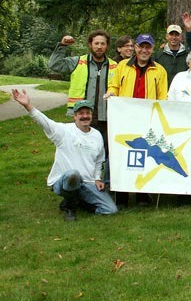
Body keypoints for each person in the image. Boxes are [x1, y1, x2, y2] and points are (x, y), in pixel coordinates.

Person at [12, 90, 117, 220]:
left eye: (88, 113)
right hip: (64, 181)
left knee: (110, 210)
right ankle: (70, 207)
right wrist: (28, 106)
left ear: (91, 115)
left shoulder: (96, 135)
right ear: (75, 116)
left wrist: (97, 178)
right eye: (81, 113)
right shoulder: (63, 131)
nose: (85, 116)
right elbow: (44, 121)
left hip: (87, 182)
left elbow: (99, 161)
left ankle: (79, 202)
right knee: (73, 174)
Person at [104, 33, 168, 207]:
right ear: (136, 48)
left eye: (148, 47)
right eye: (141, 46)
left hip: (147, 121)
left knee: (146, 155)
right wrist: (111, 93)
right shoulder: (122, 66)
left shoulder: (159, 70)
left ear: (152, 49)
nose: (144, 50)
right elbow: (114, 86)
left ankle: (142, 194)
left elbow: (162, 98)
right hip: (124, 118)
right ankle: (121, 195)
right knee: (122, 154)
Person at [48, 29, 117, 166]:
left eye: (102, 44)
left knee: (106, 153)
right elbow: (54, 65)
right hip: (83, 115)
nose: (99, 47)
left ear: (107, 46)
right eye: (96, 43)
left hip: (106, 117)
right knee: (81, 152)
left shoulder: (115, 66)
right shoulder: (78, 62)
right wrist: (62, 45)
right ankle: (81, 180)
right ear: (90, 45)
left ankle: (104, 182)